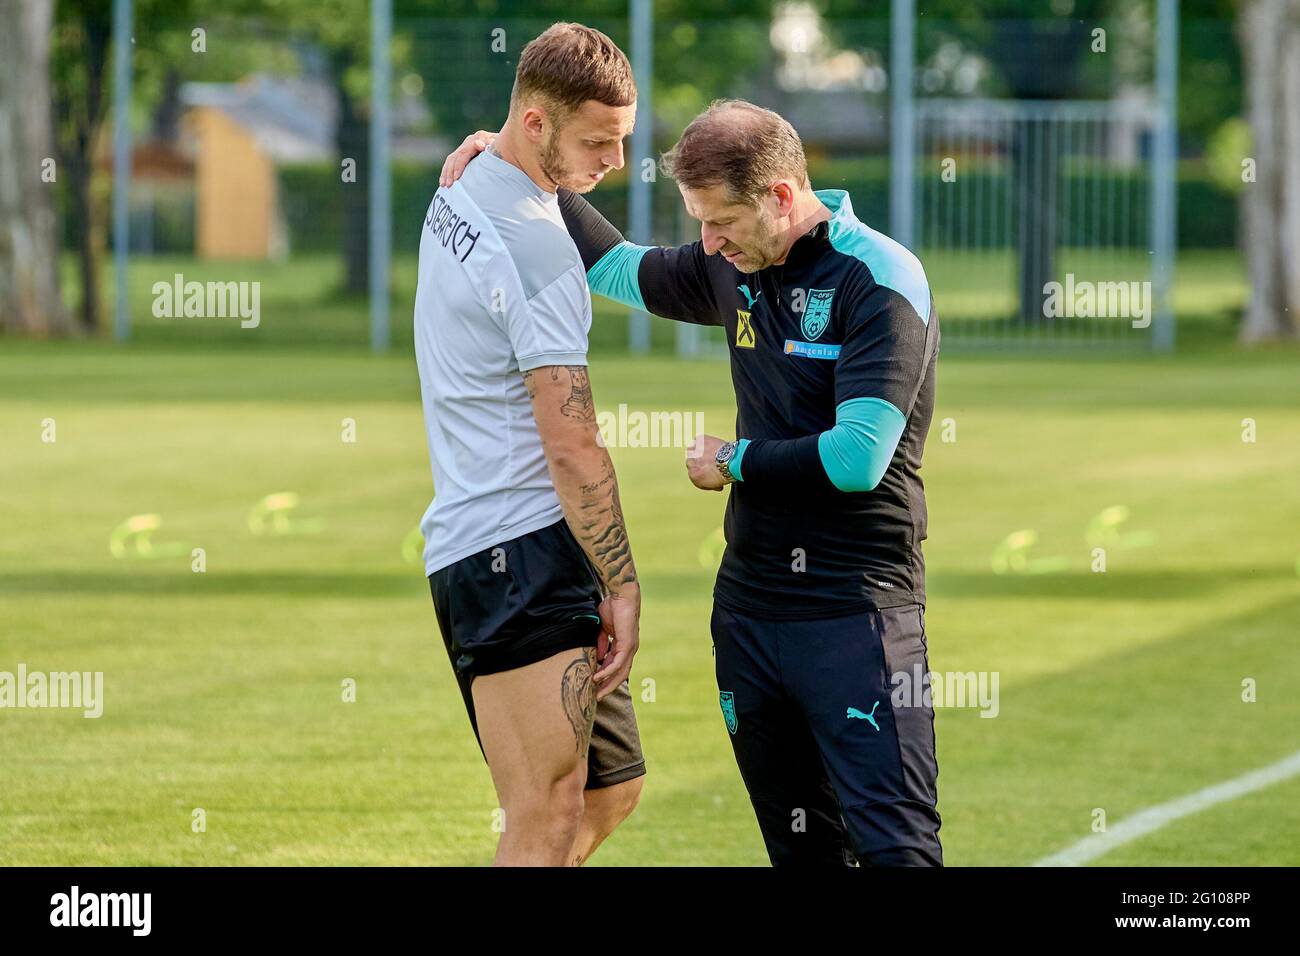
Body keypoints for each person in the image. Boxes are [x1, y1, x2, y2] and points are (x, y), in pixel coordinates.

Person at [442, 98, 943, 866]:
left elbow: (857, 458)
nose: (708, 244)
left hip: (855, 617)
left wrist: (732, 461)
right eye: (698, 223)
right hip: (748, 617)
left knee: (895, 851)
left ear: (780, 196)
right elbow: (615, 266)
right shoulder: (733, 263)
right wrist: (516, 162)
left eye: (722, 223)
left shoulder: (878, 276)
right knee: (804, 850)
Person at [415, 22, 645, 867]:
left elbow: (587, 231)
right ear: (538, 124)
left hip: (523, 547)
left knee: (604, 791)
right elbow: (573, 445)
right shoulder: (541, 252)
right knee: (543, 814)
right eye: (599, 143)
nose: (616, 163)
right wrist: (621, 583)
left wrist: (488, 140)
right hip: (512, 551)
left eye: (623, 140)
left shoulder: (473, 176)